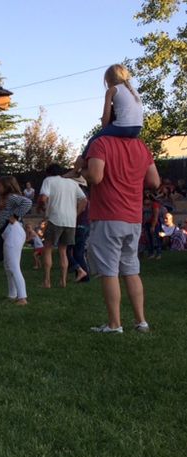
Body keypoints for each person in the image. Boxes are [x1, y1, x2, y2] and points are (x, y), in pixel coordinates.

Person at [81, 136, 160, 333]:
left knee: (109, 270)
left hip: (108, 216)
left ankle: (114, 324)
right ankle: (141, 321)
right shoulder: (141, 145)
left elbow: (95, 176)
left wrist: (79, 170)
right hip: (133, 217)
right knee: (131, 269)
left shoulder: (101, 143)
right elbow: (154, 181)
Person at [75, 64, 143, 168]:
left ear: (109, 80)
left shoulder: (112, 90)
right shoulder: (134, 91)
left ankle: (80, 167)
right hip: (137, 128)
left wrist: (104, 130)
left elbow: (106, 115)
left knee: (93, 140)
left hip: (123, 127)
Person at [37, 164, 88, 288]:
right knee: (63, 251)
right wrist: (76, 213)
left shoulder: (48, 180)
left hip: (55, 219)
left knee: (47, 248)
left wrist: (42, 207)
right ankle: (63, 281)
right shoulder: (72, 183)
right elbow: (84, 200)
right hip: (70, 221)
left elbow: (43, 198)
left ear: (49, 173)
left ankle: (47, 281)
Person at [2, 214, 28, 305]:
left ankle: (22, 297)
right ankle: (12, 294)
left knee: (14, 268)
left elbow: (26, 203)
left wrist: (15, 216)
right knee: (9, 268)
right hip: (11, 233)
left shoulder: (10, 204)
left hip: (14, 233)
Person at [142, 190, 162, 259]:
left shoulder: (154, 205)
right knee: (149, 239)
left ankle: (158, 253)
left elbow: (155, 216)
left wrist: (153, 226)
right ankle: (151, 253)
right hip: (147, 223)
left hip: (154, 223)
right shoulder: (144, 206)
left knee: (156, 238)